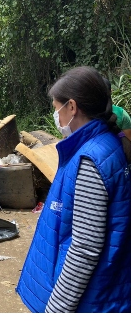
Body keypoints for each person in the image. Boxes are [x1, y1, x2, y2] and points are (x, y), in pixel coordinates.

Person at [16, 66, 131, 313]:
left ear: (72, 106)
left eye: (56, 108)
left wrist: (56, 310)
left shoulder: (91, 158)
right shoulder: (106, 143)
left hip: (87, 301)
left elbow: (85, 247)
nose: (56, 115)